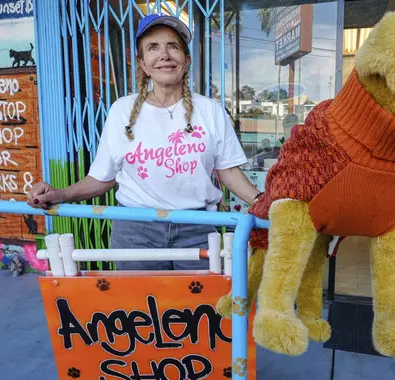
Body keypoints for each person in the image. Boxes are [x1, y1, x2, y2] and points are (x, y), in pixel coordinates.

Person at [26, 13, 261, 271]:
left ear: (187, 59)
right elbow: (103, 177)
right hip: (136, 230)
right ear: (143, 64)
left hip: (198, 227)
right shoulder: (121, 111)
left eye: (173, 46)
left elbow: (228, 171)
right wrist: (60, 194)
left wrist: (264, 202)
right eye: (153, 48)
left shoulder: (210, 110)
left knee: (198, 309)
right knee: (142, 309)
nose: (164, 55)